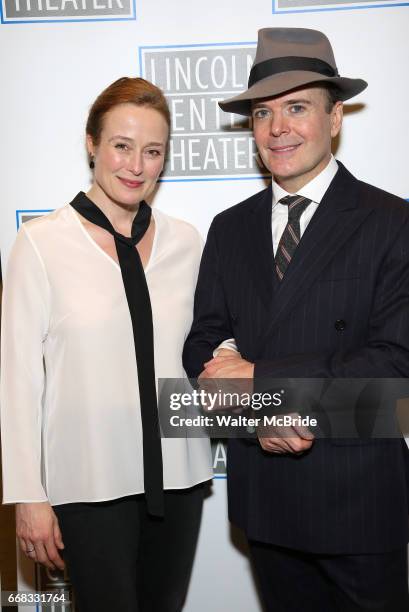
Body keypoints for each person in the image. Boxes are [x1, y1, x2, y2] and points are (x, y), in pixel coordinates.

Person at [183, 28, 409, 612]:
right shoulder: (229, 228)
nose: (278, 127)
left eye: (297, 107)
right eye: (263, 112)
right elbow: (203, 342)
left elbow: (395, 368)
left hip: (359, 505)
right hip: (267, 499)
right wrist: (254, 413)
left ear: (335, 118)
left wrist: (263, 385)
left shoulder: (392, 222)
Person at [1, 76, 212, 612]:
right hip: (88, 484)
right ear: (92, 143)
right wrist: (28, 493)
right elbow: (18, 379)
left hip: (179, 480)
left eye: (152, 151)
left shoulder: (186, 241)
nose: (136, 165)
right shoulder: (41, 244)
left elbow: (209, 344)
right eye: (121, 145)